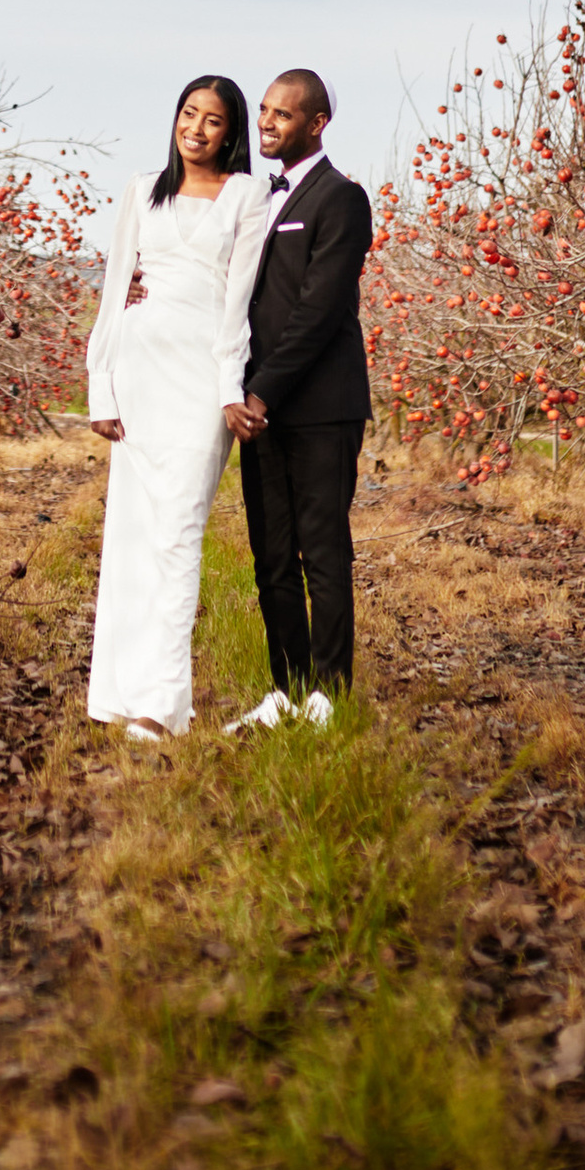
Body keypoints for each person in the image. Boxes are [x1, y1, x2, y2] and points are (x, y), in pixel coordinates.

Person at [82, 74, 267, 740]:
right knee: (134, 536)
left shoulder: (247, 194)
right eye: (189, 113)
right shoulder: (142, 189)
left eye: (213, 120)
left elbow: (239, 302)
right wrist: (100, 385)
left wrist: (229, 388)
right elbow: (113, 293)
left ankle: (161, 705)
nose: (196, 128)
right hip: (139, 371)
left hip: (200, 381)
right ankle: (124, 694)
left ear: (231, 132)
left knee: (180, 533)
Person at [220, 68, 373, 728]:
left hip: (320, 407)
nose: (267, 122)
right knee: (272, 555)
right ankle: (285, 691)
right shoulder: (257, 199)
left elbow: (319, 311)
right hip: (260, 409)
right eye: (264, 110)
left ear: (316, 124)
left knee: (323, 553)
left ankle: (328, 697)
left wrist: (261, 392)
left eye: (283, 114)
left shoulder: (342, 198)